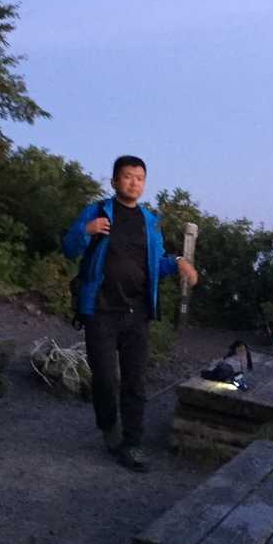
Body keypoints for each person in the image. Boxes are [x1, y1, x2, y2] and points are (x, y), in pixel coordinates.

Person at [62, 155, 198, 471]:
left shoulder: (149, 222)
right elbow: (69, 248)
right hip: (100, 310)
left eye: (139, 178)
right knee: (105, 378)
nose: (133, 182)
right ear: (114, 181)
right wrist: (86, 230)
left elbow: (156, 263)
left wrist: (179, 262)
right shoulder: (97, 212)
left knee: (135, 380)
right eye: (127, 176)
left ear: (144, 184)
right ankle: (110, 427)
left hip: (137, 312)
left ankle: (133, 443)